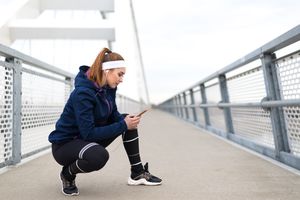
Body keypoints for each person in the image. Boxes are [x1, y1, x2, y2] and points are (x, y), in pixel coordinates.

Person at [48, 48, 162, 196]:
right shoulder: (82, 93)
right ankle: (67, 174)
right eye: (119, 74)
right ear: (107, 71)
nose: (122, 79)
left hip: (84, 140)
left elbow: (114, 114)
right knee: (99, 156)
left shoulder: (108, 88)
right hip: (65, 146)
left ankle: (137, 173)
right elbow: (88, 133)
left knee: (127, 119)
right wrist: (123, 124)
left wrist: (127, 122)